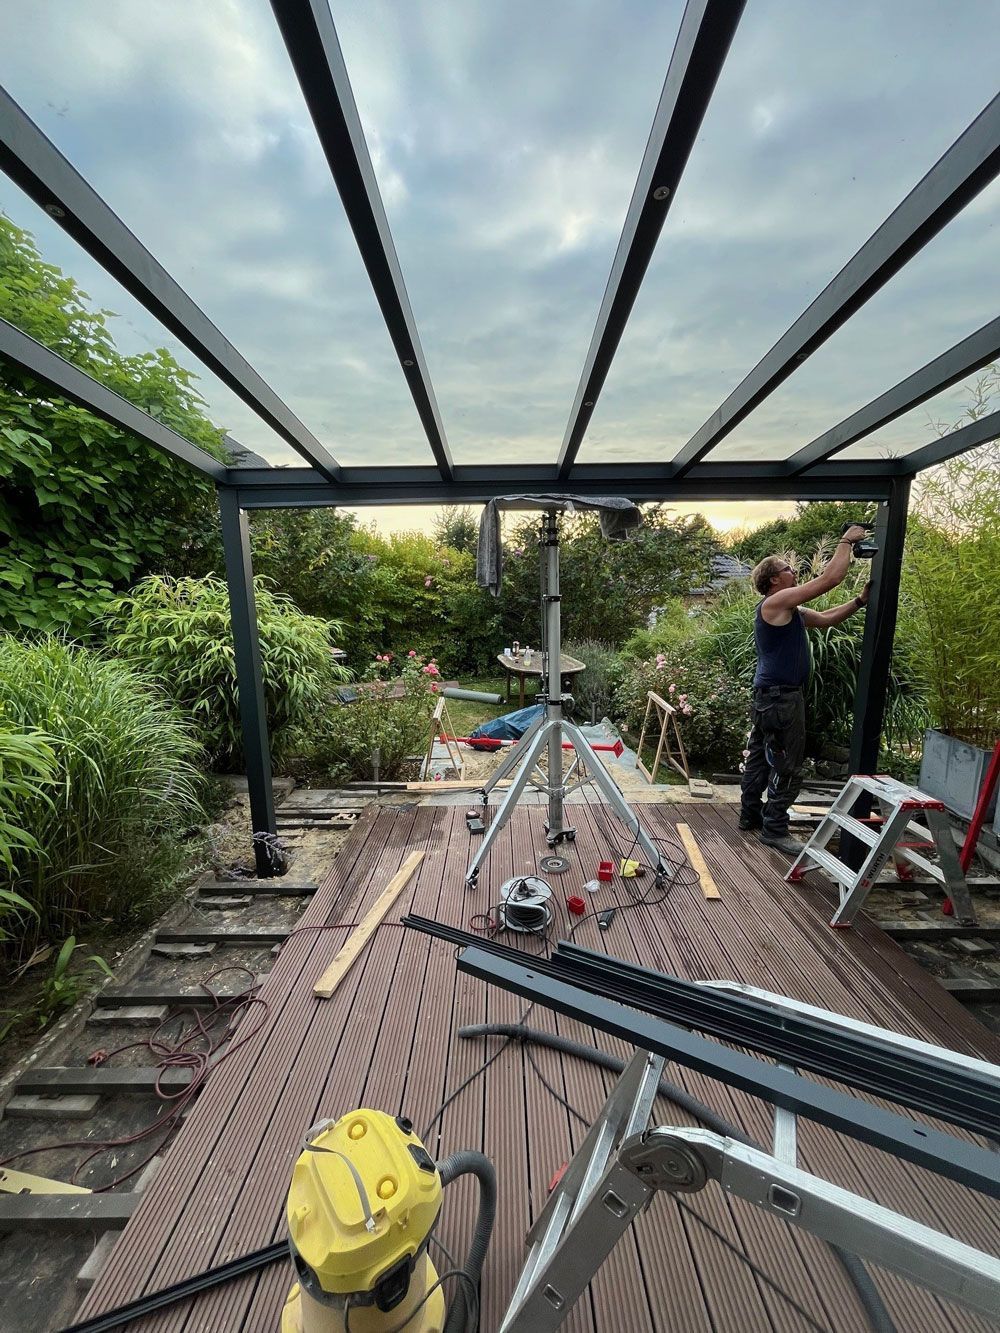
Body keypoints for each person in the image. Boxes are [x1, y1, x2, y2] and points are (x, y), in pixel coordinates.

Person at [739, 526, 871, 854]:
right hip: (781, 699)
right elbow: (829, 580)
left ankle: (750, 815)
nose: (793, 570)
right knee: (788, 764)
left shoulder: (791, 612)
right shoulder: (777, 601)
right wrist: (845, 541)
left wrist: (859, 601)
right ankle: (775, 829)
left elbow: (826, 618)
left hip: (770, 699)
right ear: (773, 580)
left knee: (759, 757)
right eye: (786, 568)